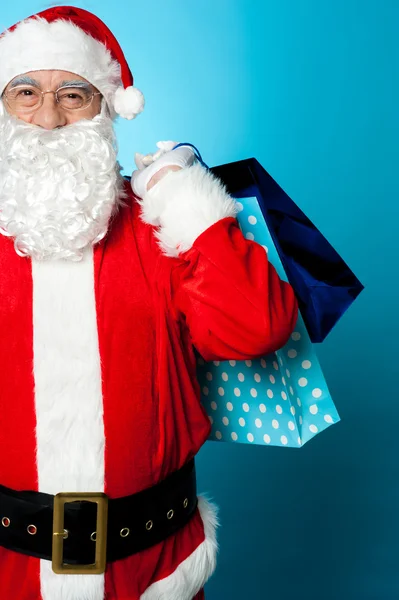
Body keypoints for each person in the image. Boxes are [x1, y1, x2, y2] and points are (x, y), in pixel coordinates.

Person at [0, 6, 298, 600]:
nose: (49, 118)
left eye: (74, 95)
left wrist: (190, 203)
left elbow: (256, 330)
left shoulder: (161, 224)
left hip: (153, 569)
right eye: (25, 92)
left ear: (106, 109)